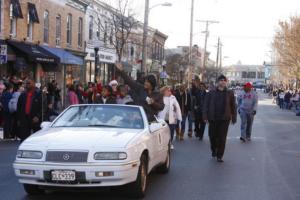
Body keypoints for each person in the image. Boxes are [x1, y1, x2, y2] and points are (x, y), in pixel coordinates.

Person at [203, 75, 237, 162]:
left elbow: (233, 106)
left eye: (224, 80)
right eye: (221, 80)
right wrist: (205, 116)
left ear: (226, 82)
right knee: (212, 136)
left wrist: (234, 117)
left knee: (222, 138)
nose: (223, 81)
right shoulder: (211, 92)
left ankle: (220, 155)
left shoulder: (230, 93)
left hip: (224, 119)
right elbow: (206, 105)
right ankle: (214, 149)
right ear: (218, 82)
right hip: (213, 118)